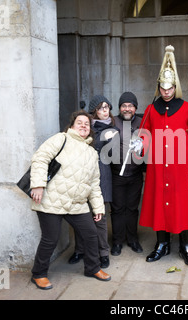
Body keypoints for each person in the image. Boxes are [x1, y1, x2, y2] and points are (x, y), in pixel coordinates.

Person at [30, 110, 111, 290]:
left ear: (90, 130)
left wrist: (98, 208)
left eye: (87, 124)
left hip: (77, 204)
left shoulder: (92, 153)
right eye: (79, 122)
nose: (83, 125)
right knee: (50, 238)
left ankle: (93, 268)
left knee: (91, 234)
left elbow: (94, 184)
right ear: (72, 126)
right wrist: (37, 184)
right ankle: (39, 274)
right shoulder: (61, 139)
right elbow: (40, 158)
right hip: (52, 199)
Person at [138, 45, 188, 267]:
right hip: (158, 166)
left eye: (170, 88)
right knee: (160, 206)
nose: (166, 92)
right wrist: (140, 144)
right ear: (159, 87)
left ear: (175, 87)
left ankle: (186, 247)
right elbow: (145, 134)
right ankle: (162, 244)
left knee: (181, 207)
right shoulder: (150, 109)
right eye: (163, 88)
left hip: (180, 168)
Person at [68, 96, 118, 269]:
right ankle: (80, 250)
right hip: (82, 177)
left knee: (100, 218)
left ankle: (103, 252)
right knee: (80, 216)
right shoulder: (86, 127)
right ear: (94, 110)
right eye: (100, 108)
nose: (104, 111)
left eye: (107, 107)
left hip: (102, 175)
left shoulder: (113, 128)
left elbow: (114, 155)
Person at [109, 92, 144, 256]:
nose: (127, 108)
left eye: (130, 105)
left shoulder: (141, 122)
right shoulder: (113, 121)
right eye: (124, 105)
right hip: (116, 174)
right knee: (117, 209)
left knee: (132, 208)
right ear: (120, 108)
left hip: (135, 174)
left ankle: (132, 239)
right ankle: (117, 241)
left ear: (135, 107)